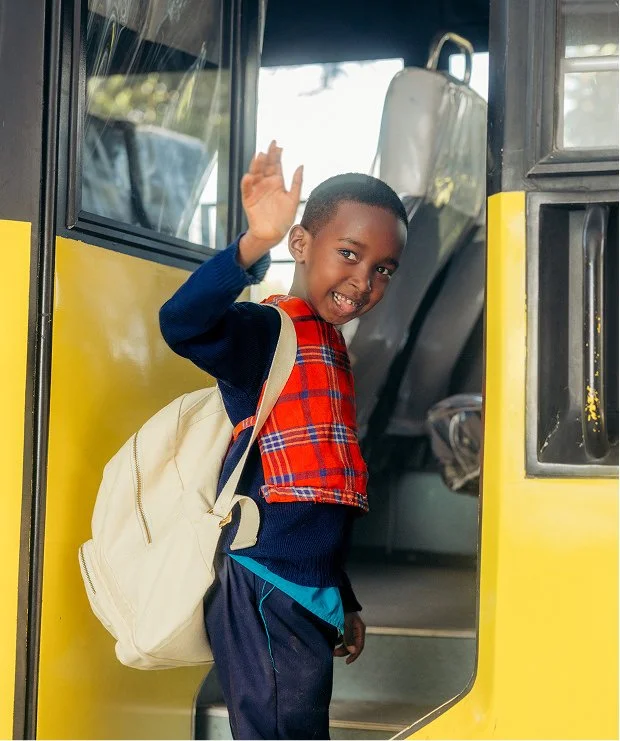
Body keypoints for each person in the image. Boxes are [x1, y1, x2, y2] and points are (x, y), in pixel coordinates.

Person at [159, 140, 408, 740]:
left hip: (302, 586)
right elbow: (182, 322)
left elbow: (320, 503)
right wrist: (253, 244)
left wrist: (340, 596)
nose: (363, 281)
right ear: (301, 244)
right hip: (263, 579)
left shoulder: (333, 348)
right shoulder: (270, 329)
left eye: (382, 270)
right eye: (349, 254)